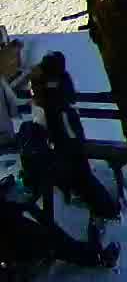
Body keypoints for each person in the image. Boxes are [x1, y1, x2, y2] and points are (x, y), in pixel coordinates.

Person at [26, 54, 120, 224]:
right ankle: (98, 207)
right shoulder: (52, 84)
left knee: (82, 176)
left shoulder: (55, 86)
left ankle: (107, 210)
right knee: (77, 176)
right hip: (63, 138)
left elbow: (59, 109)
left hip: (67, 138)